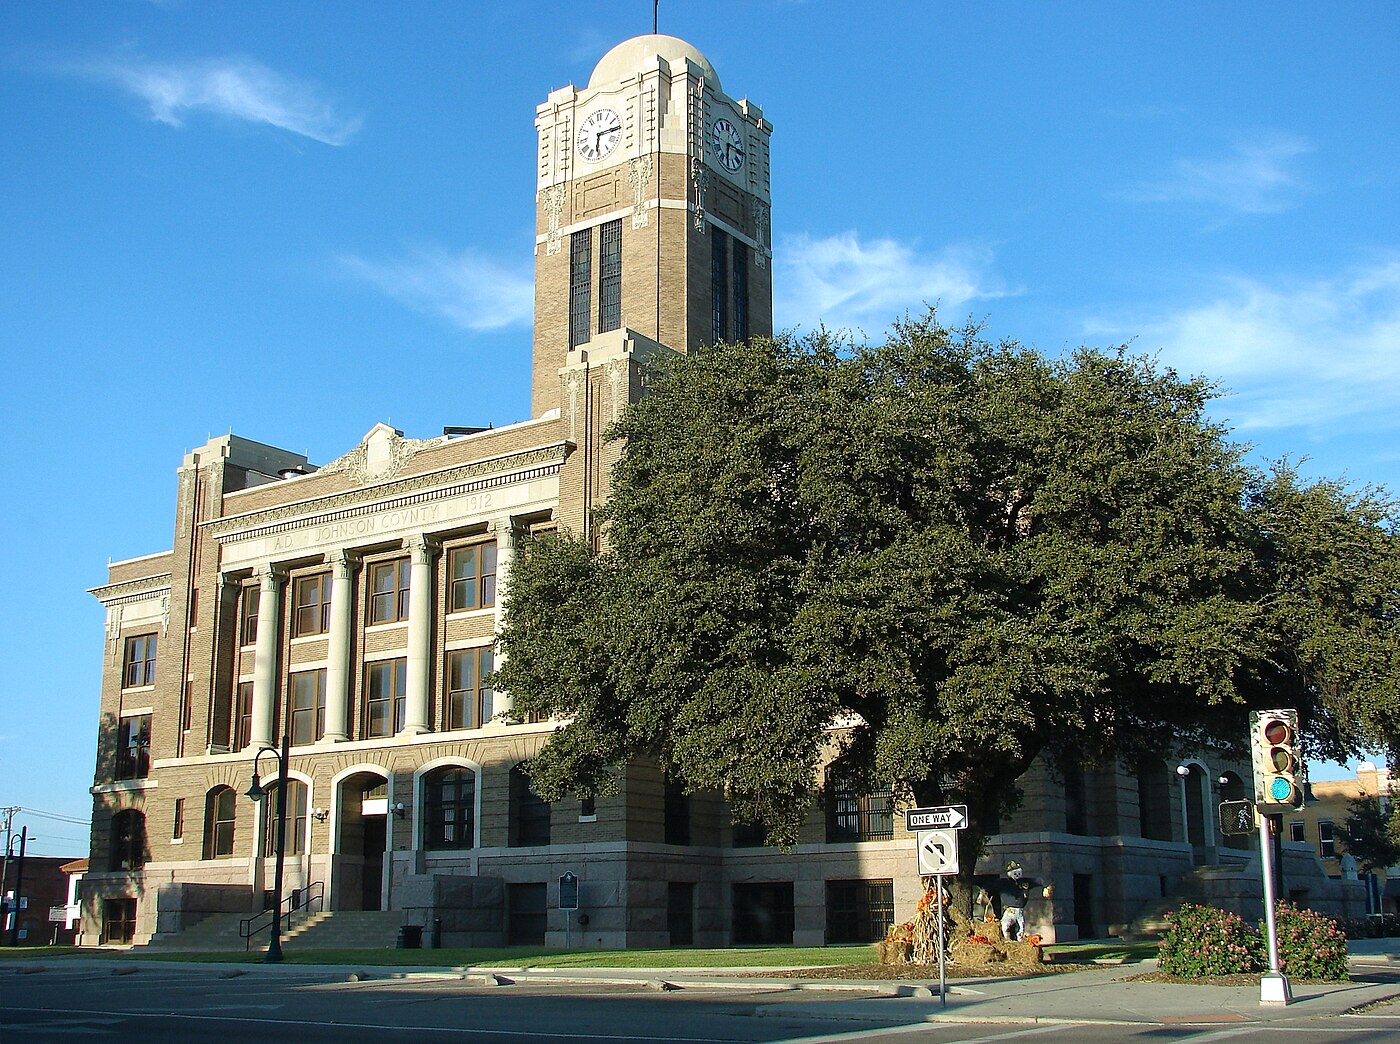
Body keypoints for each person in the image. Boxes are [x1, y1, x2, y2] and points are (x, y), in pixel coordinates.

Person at [975, 861, 1052, 942]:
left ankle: (1020, 941)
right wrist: (981, 893)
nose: (1017, 875)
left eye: (1019, 873)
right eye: (1015, 874)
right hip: (1009, 910)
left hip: (1019, 911)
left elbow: (1039, 880)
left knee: (1020, 928)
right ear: (1010, 874)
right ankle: (1007, 939)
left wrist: (1046, 887)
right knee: (1005, 925)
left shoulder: (1025, 882)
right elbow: (990, 884)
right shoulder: (1004, 883)